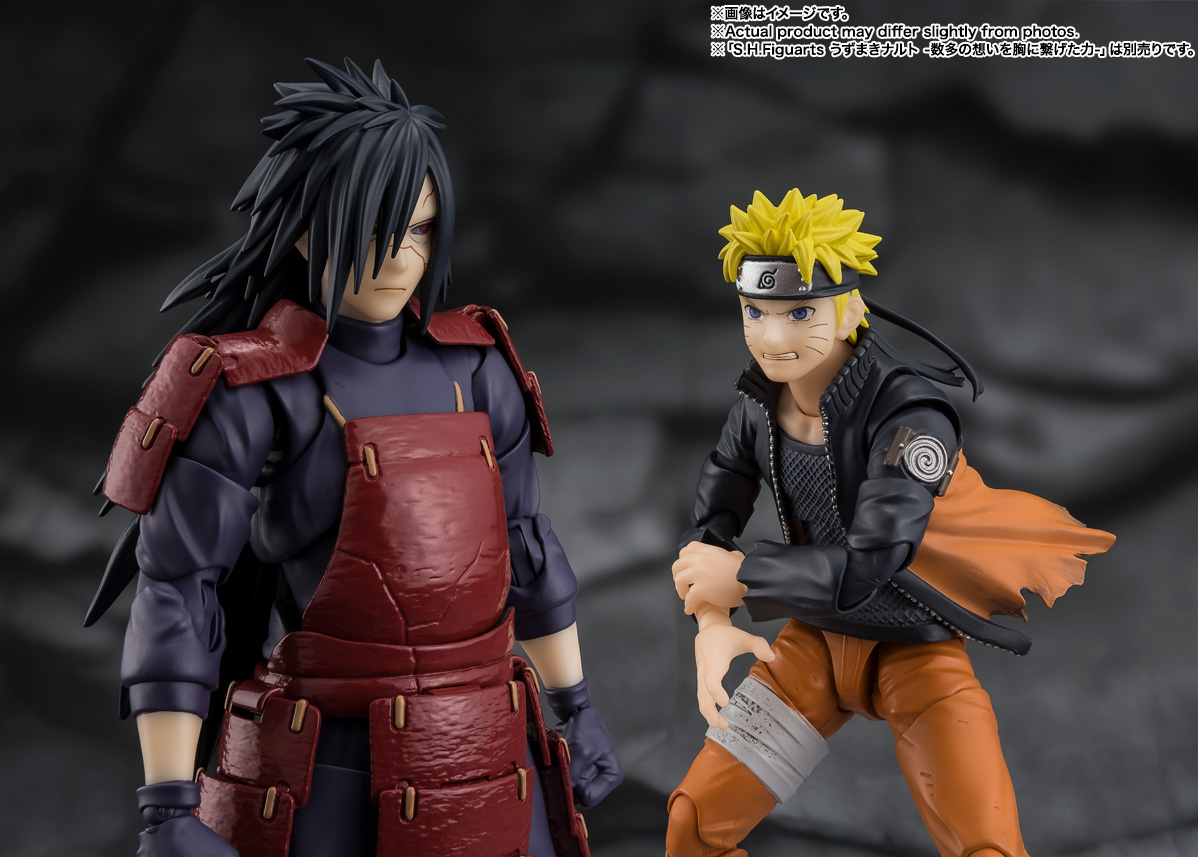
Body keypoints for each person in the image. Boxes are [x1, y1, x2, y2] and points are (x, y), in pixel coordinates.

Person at [88, 57, 620, 857]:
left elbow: (527, 549)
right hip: (331, 770)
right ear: (309, 229)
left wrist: (576, 705)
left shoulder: (479, 367)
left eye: (420, 229)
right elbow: (178, 588)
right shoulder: (252, 388)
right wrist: (166, 805)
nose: (401, 256)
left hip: (491, 759)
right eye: (375, 229)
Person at [665, 189, 1114, 857]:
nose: (773, 337)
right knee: (694, 826)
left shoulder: (910, 415)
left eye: (800, 313)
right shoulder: (756, 407)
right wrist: (710, 622)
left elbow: (873, 560)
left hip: (912, 649)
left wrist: (744, 577)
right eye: (755, 311)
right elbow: (711, 521)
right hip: (811, 650)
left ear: (849, 310)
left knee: (986, 848)